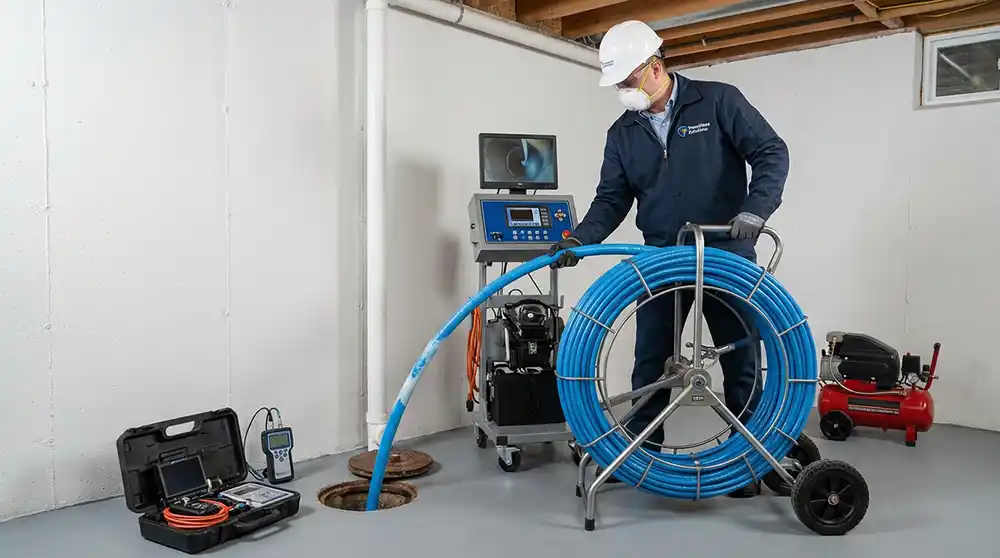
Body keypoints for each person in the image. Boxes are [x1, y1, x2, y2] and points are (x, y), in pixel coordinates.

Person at [548, 20, 789, 498]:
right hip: (660, 258)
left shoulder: (718, 101)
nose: (622, 91)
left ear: (655, 68)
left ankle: (748, 460)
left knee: (740, 357)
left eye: (626, 80)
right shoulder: (623, 132)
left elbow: (770, 152)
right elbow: (611, 199)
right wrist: (578, 238)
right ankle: (641, 451)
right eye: (616, 84)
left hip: (725, 254)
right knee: (651, 360)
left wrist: (755, 211)